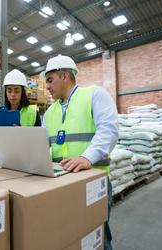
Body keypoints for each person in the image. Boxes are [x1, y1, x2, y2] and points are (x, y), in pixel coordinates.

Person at [41, 55, 118, 250]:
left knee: (97, 232)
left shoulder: (94, 95)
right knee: (71, 234)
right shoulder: (50, 112)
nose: (47, 87)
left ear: (64, 76)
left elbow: (108, 130)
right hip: (62, 182)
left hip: (93, 181)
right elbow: (42, 145)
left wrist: (87, 157)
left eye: (50, 80)